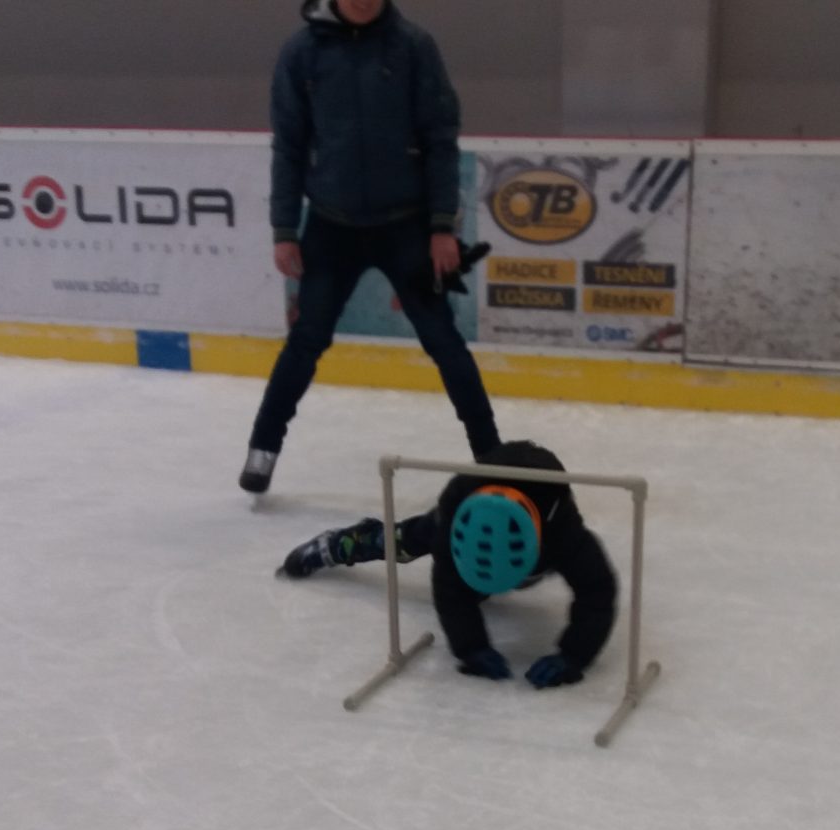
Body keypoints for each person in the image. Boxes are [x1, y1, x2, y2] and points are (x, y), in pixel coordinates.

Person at [242, 0, 500, 495]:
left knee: (444, 341)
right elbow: (288, 145)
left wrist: (442, 226)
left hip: (406, 228)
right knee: (305, 341)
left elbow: (440, 139)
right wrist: (283, 229)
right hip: (330, 229)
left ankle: (493, 456)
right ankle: (262, 449)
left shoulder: (414, 47)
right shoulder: (302, 52)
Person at [279, 442, 617, 689]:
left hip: (539, 520)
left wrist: (574, 655)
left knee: (484, 583)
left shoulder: (564, 536)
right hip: (467, 511)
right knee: (402, 542)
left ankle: (494, 573)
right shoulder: (451, 521)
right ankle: (338, 545)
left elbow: (598, 591)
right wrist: (471, 647)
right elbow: (450, 589)